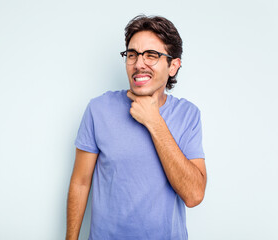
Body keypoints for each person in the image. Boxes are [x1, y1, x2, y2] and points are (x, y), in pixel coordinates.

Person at [66, 15, 207, 240]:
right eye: (132, 55)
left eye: (152, 55)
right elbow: (81, 183)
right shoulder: (98, 109)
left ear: (173, 65)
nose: (138, 64)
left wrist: (153, 120)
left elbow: (193, 195)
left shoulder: (188, 115)